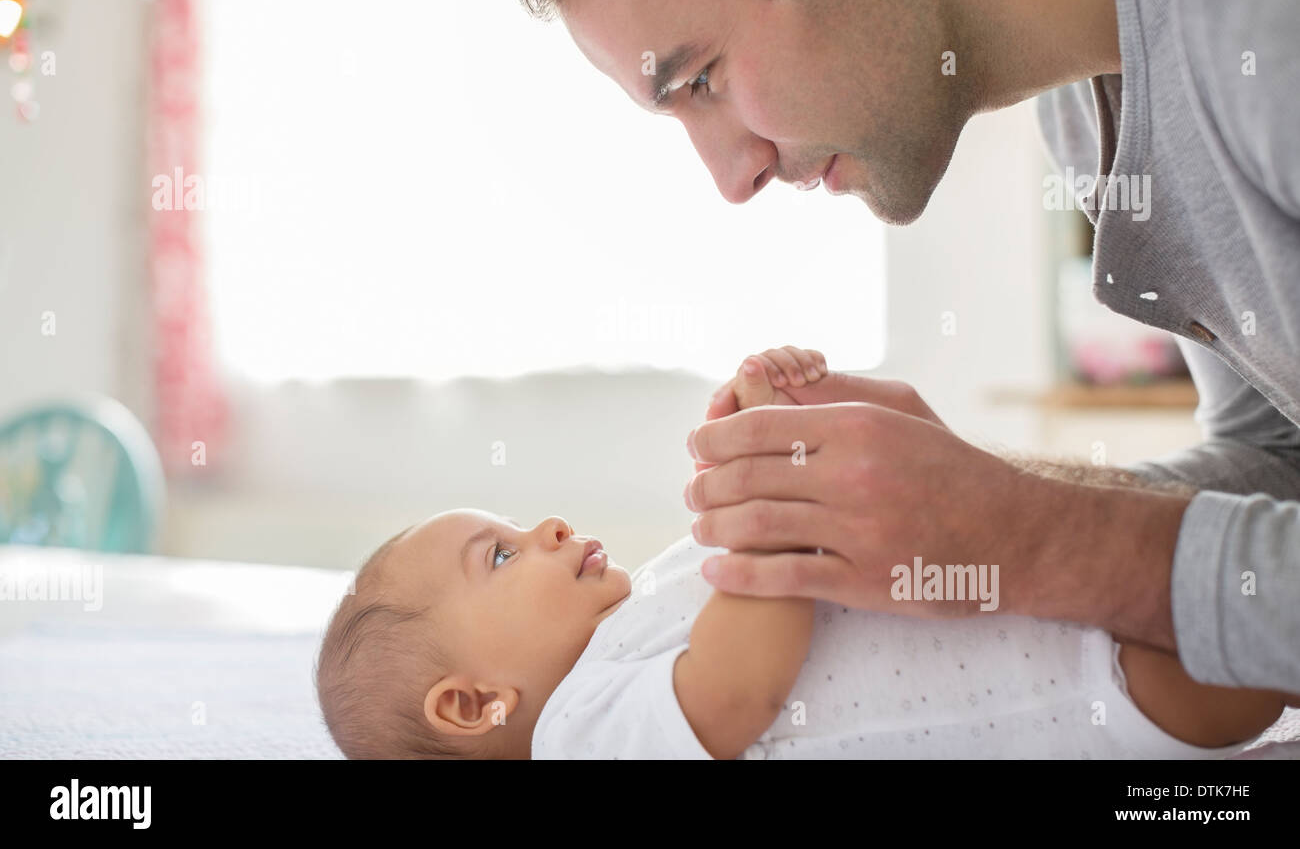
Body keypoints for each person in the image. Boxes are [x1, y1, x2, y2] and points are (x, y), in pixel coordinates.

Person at [508, 0, 1300, 697]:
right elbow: (1281, 466)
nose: (730, 179)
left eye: (701, 79)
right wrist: (971, 499)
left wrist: (1032, 537)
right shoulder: (1087, 108)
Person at [314, 347, 1289, 759]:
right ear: (474, 703)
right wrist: (772, 495)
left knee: (1226, 570)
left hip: (1052, 615)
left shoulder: (632, 624)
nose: (550, 528)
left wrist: (772, 434)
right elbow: (736, 685)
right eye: (500, 556)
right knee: (1235, 628)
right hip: (1084, 683)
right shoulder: (581, 733)